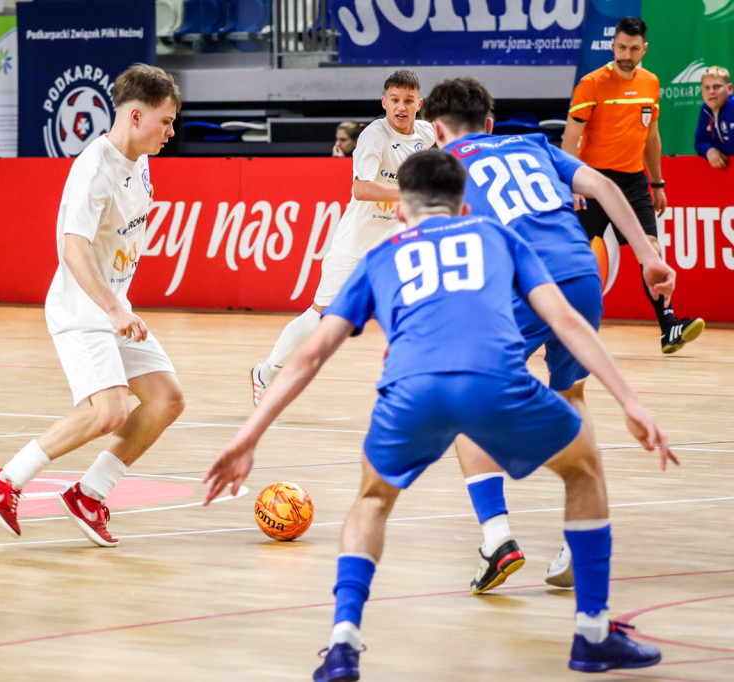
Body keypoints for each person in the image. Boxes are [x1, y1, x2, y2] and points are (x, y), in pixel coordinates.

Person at [204, 150, 676, 678]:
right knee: (583, 468)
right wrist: (630, 400)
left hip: (411, 393)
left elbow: (310, 355)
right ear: (465, 204)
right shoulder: (498, 237)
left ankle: (343, 642)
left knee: (372, 500)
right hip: (494, 383)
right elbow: (565, 320)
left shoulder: (380, 258)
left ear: (401, 211)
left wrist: (248, 436)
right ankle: (592, 633)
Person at [424, 77, 675, 593]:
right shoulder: (535, 143)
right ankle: (574, 538)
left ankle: (497, 538)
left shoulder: (444, 167)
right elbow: (606, 186)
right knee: (571, 395)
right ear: (490, 124)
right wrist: (649, 257)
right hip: (581, 275)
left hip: (523, 280)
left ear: (436, 130)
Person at [0, 64, 185, 547]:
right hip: (83, 311)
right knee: (110, 411)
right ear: (135, 117)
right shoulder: (93, 169)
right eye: (165, 121)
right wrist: (114, 309)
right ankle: (5, 480)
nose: (171, 132)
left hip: (115, 308)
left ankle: (90, 494)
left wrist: (119, 307)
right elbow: (73, 249)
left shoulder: (140, 160)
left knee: (167, 398)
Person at [251, 70, 436, 405]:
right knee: (320, 316)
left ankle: (418, 387)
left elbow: (454, 145)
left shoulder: (426, 133)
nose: (401, 106)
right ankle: (267, 371)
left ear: (418, 105)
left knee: (418, 305)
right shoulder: (373, 137)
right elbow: (362, 189)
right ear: (384, 102)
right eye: (394, 99)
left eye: (408, 101)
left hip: (396, 240)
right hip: (356, 241)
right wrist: (413, 193)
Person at [562, 16, 704, 355]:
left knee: (651, 250)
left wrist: (657, 182)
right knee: (571, 257)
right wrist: (573, 183)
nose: (627, 54)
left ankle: (669, 327)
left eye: (634, 48)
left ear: (645, 48)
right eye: (622, 47)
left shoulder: (651, 83)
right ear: (613, 45)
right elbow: (571, 139)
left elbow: (651, 136)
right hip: (593, 181)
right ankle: (552, 327)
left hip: (633, 182)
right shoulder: (591, 84)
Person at [695, 65, 734, 169]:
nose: (711, 92)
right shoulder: (705, 109)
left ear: (729, 88)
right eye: (707, 87)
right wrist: (708, 150)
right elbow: (700, 142)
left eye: (716, 87)